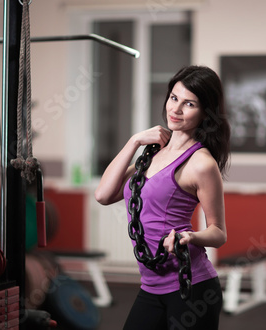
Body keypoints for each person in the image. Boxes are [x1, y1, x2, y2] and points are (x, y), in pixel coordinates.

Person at [95, 65, 230, 330]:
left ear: (205, 112)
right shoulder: (154, 154)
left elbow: (219, 232)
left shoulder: (201, 163)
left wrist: (189, 236)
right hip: (151, 287)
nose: (176, 110)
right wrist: (134, 141)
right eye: (173, 98)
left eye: (189, 103)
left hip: (192, 288)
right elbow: (103, 195)